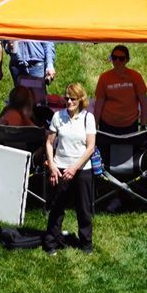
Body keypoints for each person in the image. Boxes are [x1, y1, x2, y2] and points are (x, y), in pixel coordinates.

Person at [38, 81, 96, 252]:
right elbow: (49, 143)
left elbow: (90, 147)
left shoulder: (88, 118)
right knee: (57, 207)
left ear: (81, 100)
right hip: (60, 167)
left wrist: (74, 167)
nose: (69, 102)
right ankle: (51, 243)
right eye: (67, 98)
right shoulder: (58, 117)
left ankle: (86, 243)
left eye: (73, 99)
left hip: (82, 170)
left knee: (83, 209)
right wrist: (53, 165)